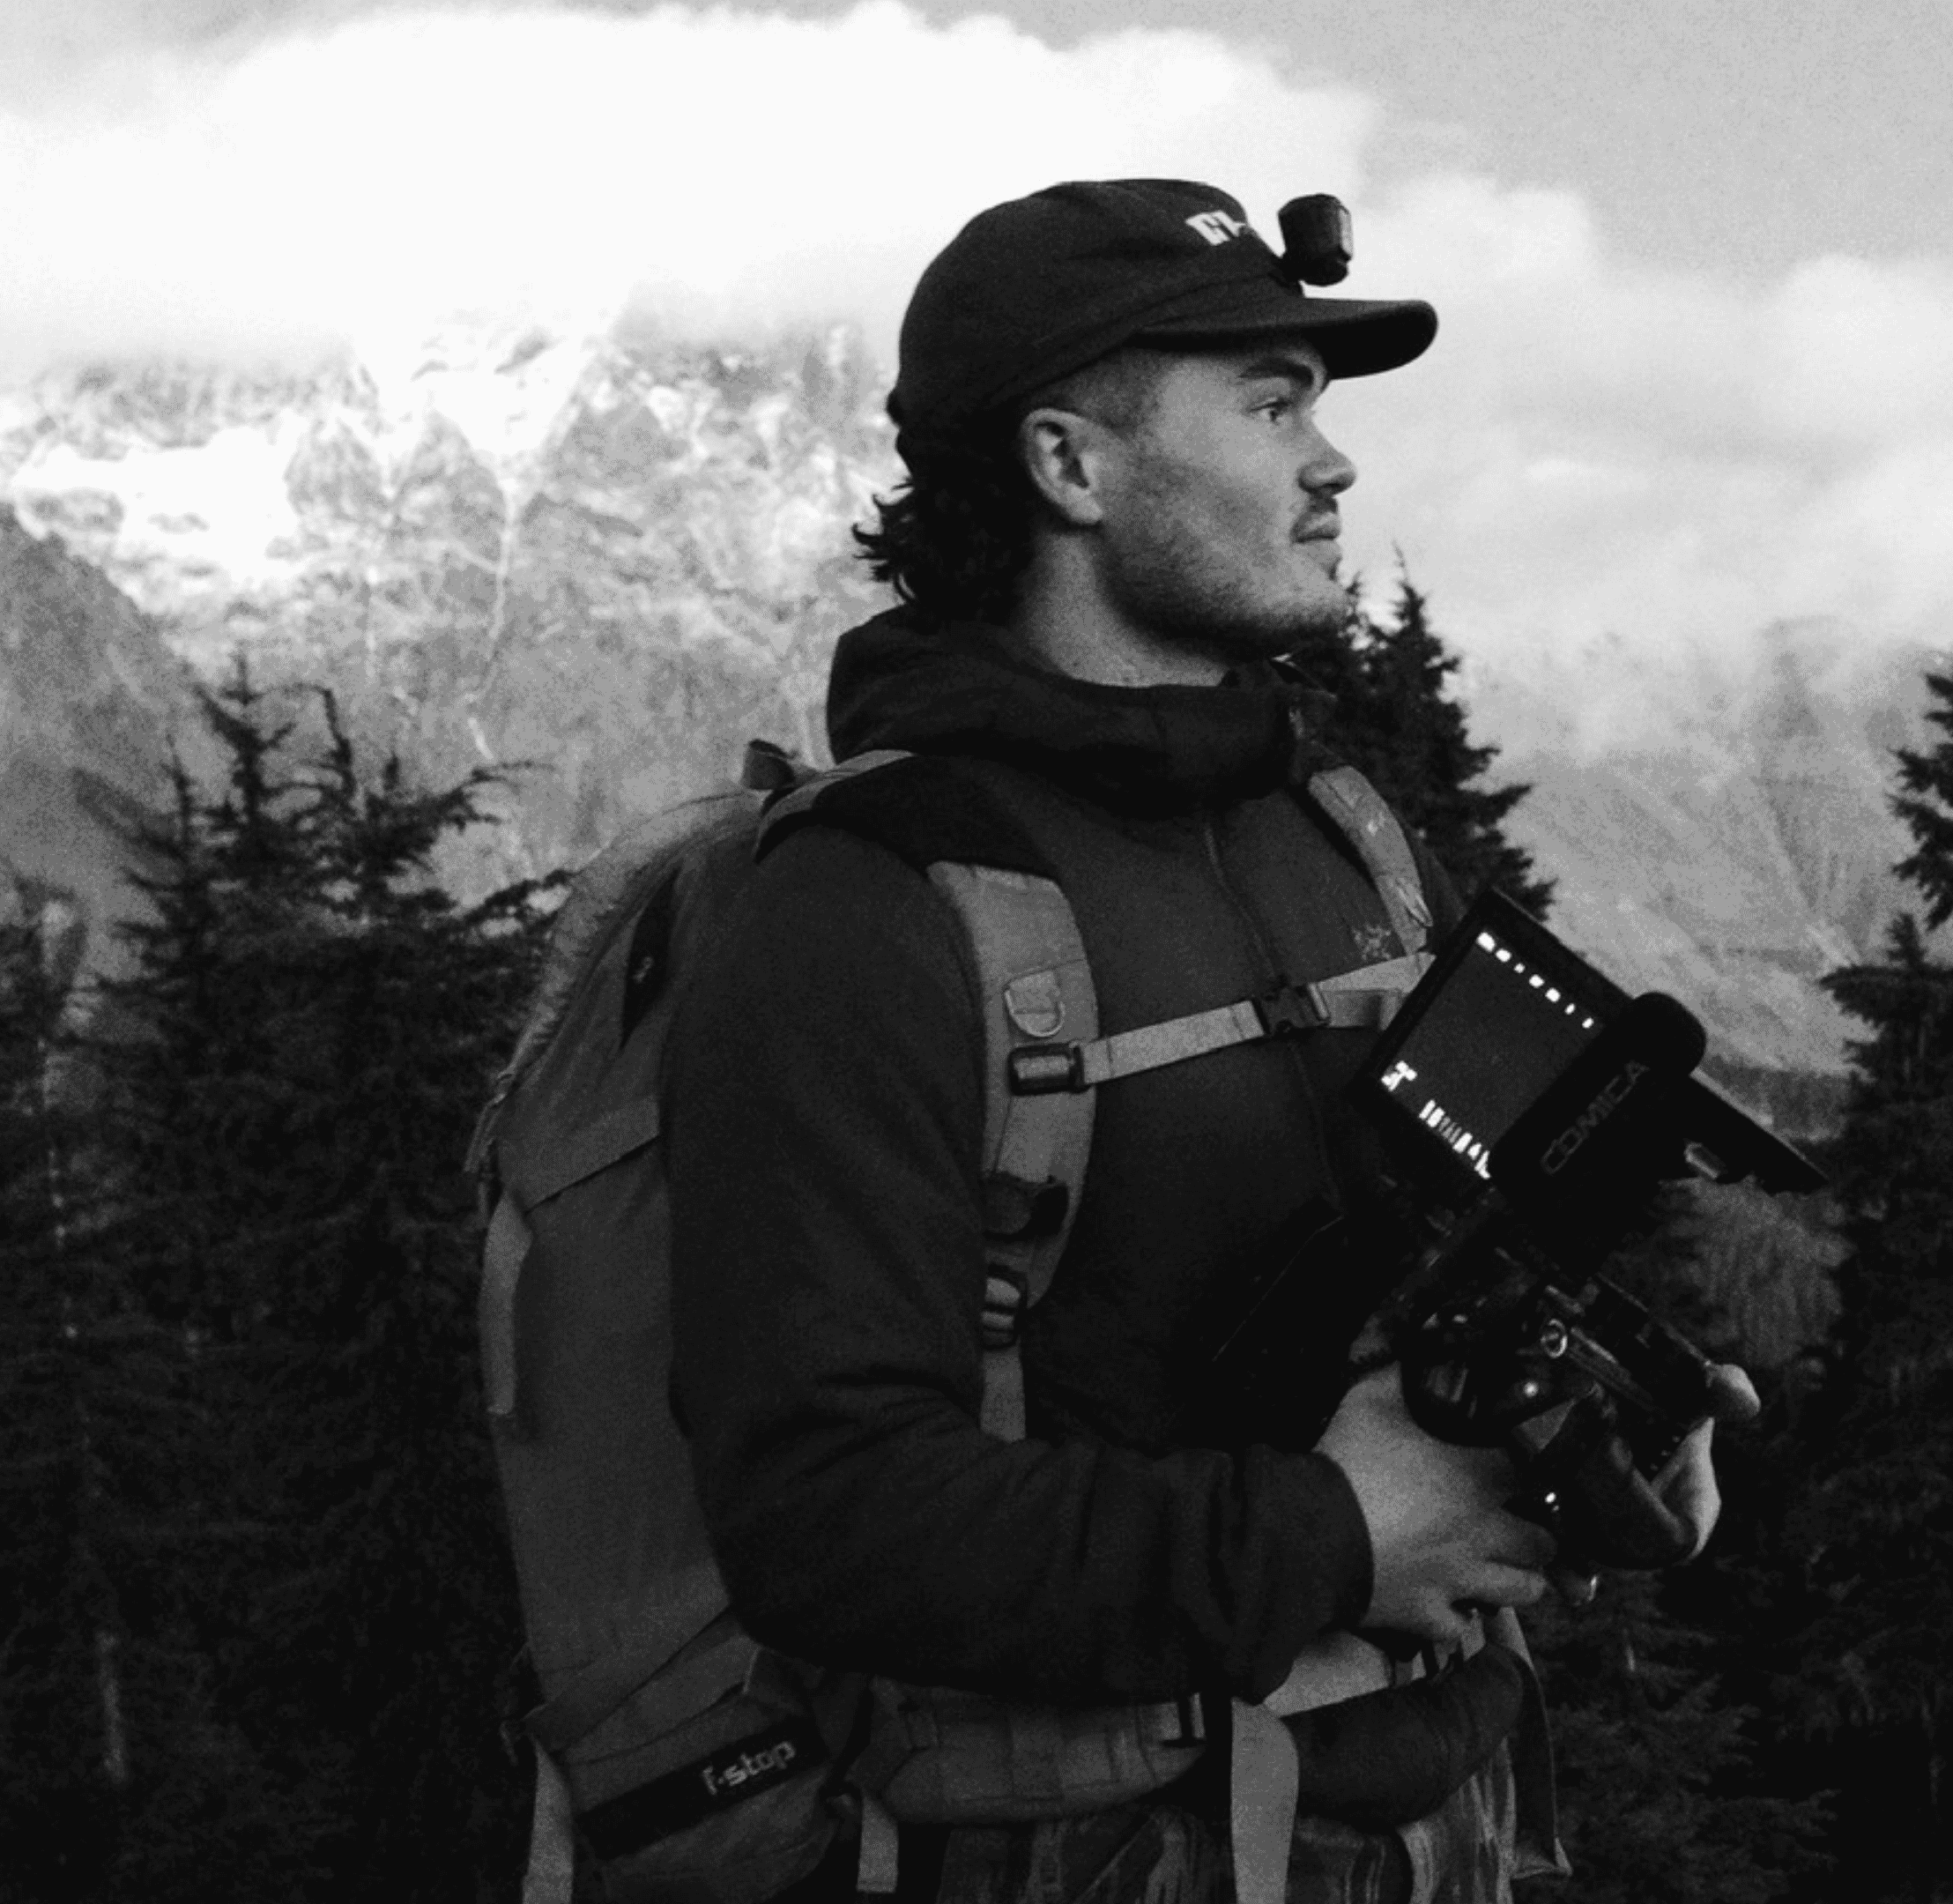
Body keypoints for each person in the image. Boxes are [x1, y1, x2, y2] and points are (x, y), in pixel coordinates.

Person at [662, 178, 1724, 1904]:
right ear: (1070, 466)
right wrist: (1342, 1534)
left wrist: (1607, 1411)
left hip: (1451, 1824)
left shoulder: (1338, 828)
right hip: (1094, 1857)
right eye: (1273, 405)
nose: (1336, 463)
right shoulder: (866, 913)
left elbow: (1449, 1255)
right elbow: (824, 1520)